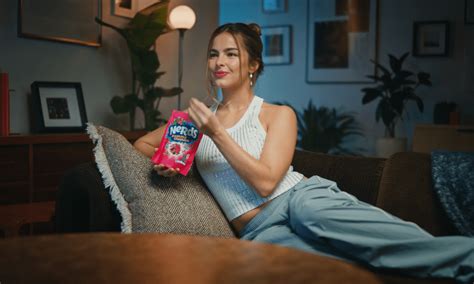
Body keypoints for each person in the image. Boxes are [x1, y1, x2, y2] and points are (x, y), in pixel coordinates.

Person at [134, 23, 474, 283]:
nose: (219, 62)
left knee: (400, 247)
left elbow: (266, 183)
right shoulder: (195, 123)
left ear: (252, 64)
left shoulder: (277, 114)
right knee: (343, 275)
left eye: (231, 53)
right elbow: (140, 145)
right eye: (213, 53)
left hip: (302, 201)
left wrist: (218, 134)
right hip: (259, 233)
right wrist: (167, 162)